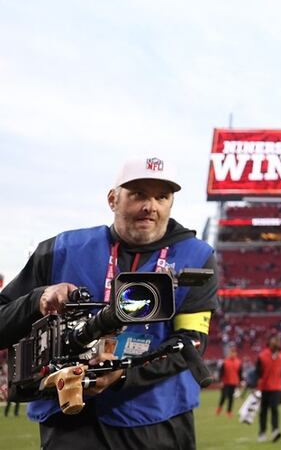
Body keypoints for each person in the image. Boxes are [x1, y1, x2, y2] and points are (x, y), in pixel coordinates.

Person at [0, 156, 218, 450]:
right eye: (138, 194)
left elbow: (191, 343)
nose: (150, 206)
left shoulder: (196, 256)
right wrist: (37, 300)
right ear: (113, 199)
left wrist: (123, 373)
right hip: (71, 422)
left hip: (160, 423)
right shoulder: (59, 250)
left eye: (161, 197)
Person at [256, 335, 281, 443]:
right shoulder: (262, 355)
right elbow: (258, 372)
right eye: (275, 340)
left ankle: (275, 430)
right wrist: (255, 385)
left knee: (274, 409)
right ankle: (262, 433)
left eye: (278, 341)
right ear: (270, 342)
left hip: (276, 386)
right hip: (264, 387)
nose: (277, 343)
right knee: (263, 411)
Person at [217, 346, 242, 417]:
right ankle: (219, 408)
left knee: (231, 398)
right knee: (223, 396)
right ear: (229, 353)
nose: (233, 354)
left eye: (234, 352)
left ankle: (229, 411)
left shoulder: (238, 362)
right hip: (225, 382)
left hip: (233, 382)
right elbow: (221, 372)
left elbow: (240, 373)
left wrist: (240, 381)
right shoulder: (225, 362)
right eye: (232, 352)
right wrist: (220, 381)